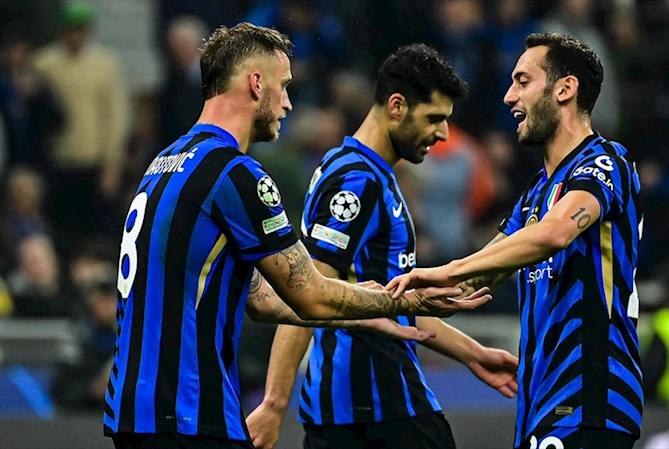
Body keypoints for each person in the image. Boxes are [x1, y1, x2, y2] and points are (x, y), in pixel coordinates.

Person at [103, 23, 492, 449]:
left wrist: (365, 311)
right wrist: (406, 301)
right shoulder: (234, 173)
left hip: (133, 413)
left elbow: (264, 299)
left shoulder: (166, 162)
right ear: (256, 84)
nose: (288, 102)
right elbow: (309, 293)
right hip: (189, 412)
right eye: (284, 86)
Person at [245, 44, 520, 449]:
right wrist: (273, 403)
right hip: (375, 411)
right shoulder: (357, 181)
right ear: (396, 106)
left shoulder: (363, 171)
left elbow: (393, 303)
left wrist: (472, 353)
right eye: (434, 118)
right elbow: (304, 292)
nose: (443, 134)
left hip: (359, 410)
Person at [387, 33, 644, 449]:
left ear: (565, 88)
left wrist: (450, 269)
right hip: (541, 403)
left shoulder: (605, 161)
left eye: (523, 81)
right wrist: (387, 298)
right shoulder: (535, 195)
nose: (509, 97)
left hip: (590, 397)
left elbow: (554, 233)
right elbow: (479, 274)